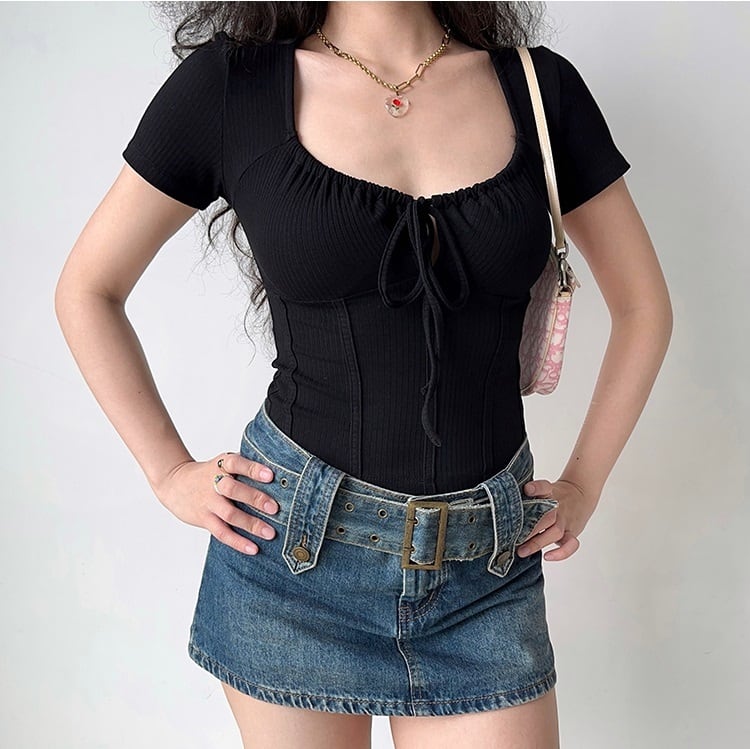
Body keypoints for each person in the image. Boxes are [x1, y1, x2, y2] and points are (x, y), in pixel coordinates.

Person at [54, 1, 673, 747]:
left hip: (486, 570)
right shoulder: (231, 86)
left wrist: (585, 484)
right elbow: (88, 288)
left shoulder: (540, 90)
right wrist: (168, 472)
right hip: (292, 557)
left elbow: (643, 307)